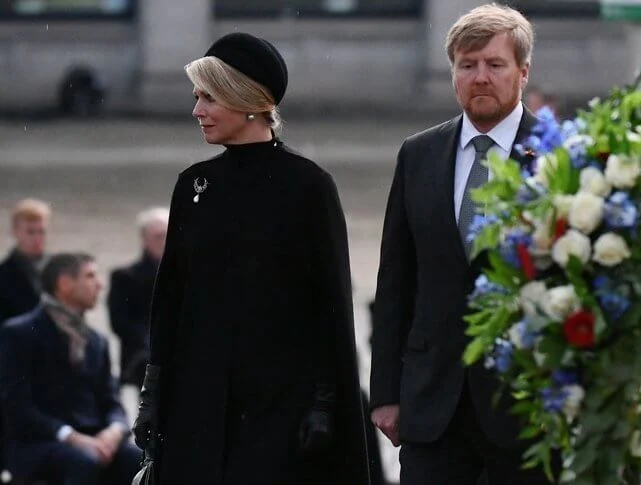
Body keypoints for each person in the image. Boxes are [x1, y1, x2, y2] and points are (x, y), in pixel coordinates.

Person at [131, 32, 370, 485]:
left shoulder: (308, 187)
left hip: (278, 406)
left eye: (209, 98)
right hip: (197, 401)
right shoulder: (194, 185)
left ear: (248, 101)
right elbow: (171, 302)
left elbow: (331, 306)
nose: (196, 111)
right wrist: (152, 395)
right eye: (196, 97)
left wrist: (324, 403)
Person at [370, 4, 556, 484]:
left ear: (523, 71)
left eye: (495, 65)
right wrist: (386, 394)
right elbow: (395, 280)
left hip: (527, 408)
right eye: (467, 65)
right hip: (432, 407)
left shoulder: (562, 155)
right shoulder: (418, 154)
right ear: (453, 72)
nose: (480, 77)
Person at [0, 252, 140, 485]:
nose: (100, 284)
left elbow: (111, 400)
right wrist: (72, 437)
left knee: (139, 460)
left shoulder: (97, 341)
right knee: (84, 461)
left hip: (93, 440)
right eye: (90, 276)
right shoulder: (20, 333)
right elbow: (16, 406)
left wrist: (114, 430)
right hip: (36, 444)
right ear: (64, 284)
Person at [107, 207, 168, 389]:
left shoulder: (187, 276)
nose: (164, 241)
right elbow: (119, 322)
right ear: (144, 239)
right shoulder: (125, 276)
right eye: (158, 236)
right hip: (141, 360)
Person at [0, 198, 51, 325]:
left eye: (41, 232)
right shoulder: (3, 275)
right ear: (15, 232)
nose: (37, 238)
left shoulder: (58, 269)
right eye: (30, 232)